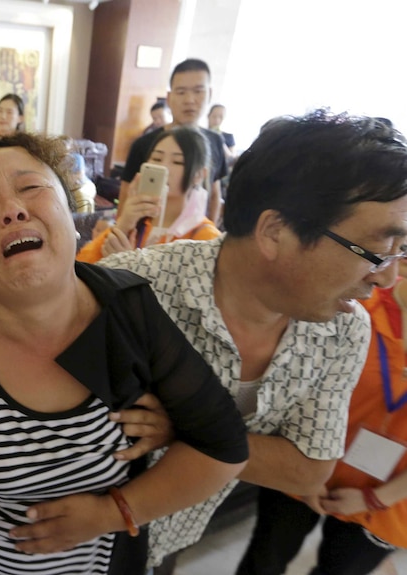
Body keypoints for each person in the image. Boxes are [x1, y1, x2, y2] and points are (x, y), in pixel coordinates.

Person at [0, 132, 249, 574]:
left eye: (31, 188)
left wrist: (114, 513)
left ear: (74, 221)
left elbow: (222, 448)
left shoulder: (129, 308)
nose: (13, 209)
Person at [98, 111, 407, 571]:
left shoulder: (344, 328)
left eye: (401, 252)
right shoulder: (137, 289)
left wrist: (185, 427)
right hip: (81, 537)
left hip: (176, 532)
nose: (388, 277)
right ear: (275, 232)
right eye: (377, 252)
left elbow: (308, 469)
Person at [235, 270, 407, 575]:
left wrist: (375, 499)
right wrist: (306, 478)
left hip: (390, 500)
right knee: (263, 562)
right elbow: (295, 389)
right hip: (301, 465)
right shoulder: (352, 309)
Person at [77, 127, 219, 263]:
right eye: (157, 159)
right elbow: (81, 266)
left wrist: (129, 265)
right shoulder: (137, 226)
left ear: (199, 175)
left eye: (177, 162)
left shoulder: (206, 239)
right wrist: (123, 224)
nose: (164, 167)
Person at [119, 59, 227, 224]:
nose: (189, 100)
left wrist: (211, 243)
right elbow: (125, 199)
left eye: (198, 91)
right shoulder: (144, 144)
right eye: (181, 92)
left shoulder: (215, 141)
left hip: (195, 242)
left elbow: (214, 193)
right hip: (147, 239)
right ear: (169, 98)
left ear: (210, 94)